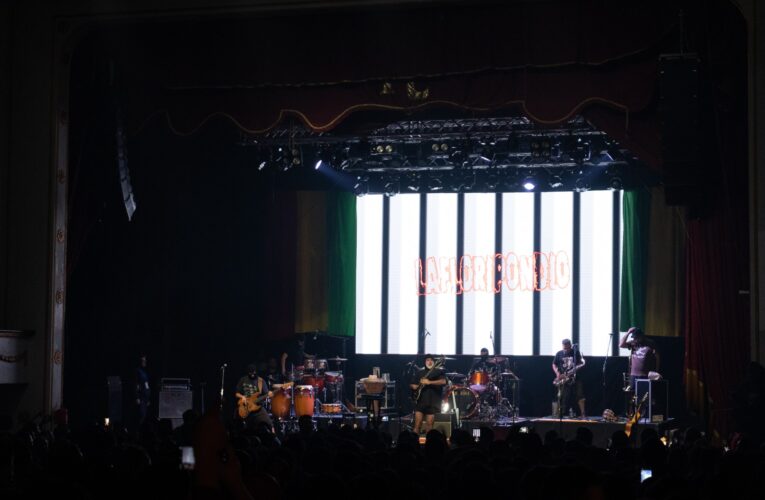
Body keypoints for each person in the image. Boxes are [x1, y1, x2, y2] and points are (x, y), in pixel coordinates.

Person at [409, 354, 446, 434]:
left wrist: (429, 382)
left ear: (434, 362)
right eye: (427, 360)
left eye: (431, 360)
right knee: (417, 425)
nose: (429, 362)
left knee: (429, 426)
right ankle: (414, 444)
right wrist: (417, 386)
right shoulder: (420, 373)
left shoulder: (439, 372)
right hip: (420, 402)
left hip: (433, 403)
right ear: (424, 362)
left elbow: (443, 381)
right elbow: (412, 384)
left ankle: (428, 445)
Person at [551, 339, 586, 418]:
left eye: (567, 348)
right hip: (563, 377)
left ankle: (583, 414)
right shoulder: (559, 353)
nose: (566, 350)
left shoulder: (575, 352)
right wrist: (557, 373)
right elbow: (554, 364)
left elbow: (581, 362)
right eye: (564, 348)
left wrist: (576, 368)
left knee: (580, 394)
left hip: (576, 377)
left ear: (570, 345)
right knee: (563, 396)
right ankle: (560, 414)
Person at [235, 364, 274, 430]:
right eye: (250, 372)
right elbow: (236, 394)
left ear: (256, 371)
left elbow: (267, 394)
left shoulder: (261, 381)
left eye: (254, 372)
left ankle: (273, 437)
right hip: (245, 407)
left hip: (258, 408)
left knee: (270, 425)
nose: (252, 374)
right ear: (248, 372)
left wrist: (270, 394)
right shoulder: (243, 379)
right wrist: (242, 397)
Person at [619, 327, 659, 391]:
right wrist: (628, 332)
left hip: (646, 375)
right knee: (633, 395)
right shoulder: (633, 343)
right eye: (634, 337)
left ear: (641, 336)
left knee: (644, 395)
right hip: (634, 374)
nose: (635, 339)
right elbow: (621, 344)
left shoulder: (650, 343)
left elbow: (657, 357)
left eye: (636, 337)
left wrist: (656, 370)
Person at [134, 353, 151, 428]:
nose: (145, 362)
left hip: (145, 397)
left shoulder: (145, 372)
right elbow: (136, 385)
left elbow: (147, 385)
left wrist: (148, 399)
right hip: (141, 397)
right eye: (143, 360)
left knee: (145, 416)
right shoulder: (138, 371)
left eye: (145, 360)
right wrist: (137, 397)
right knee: (142, 416)